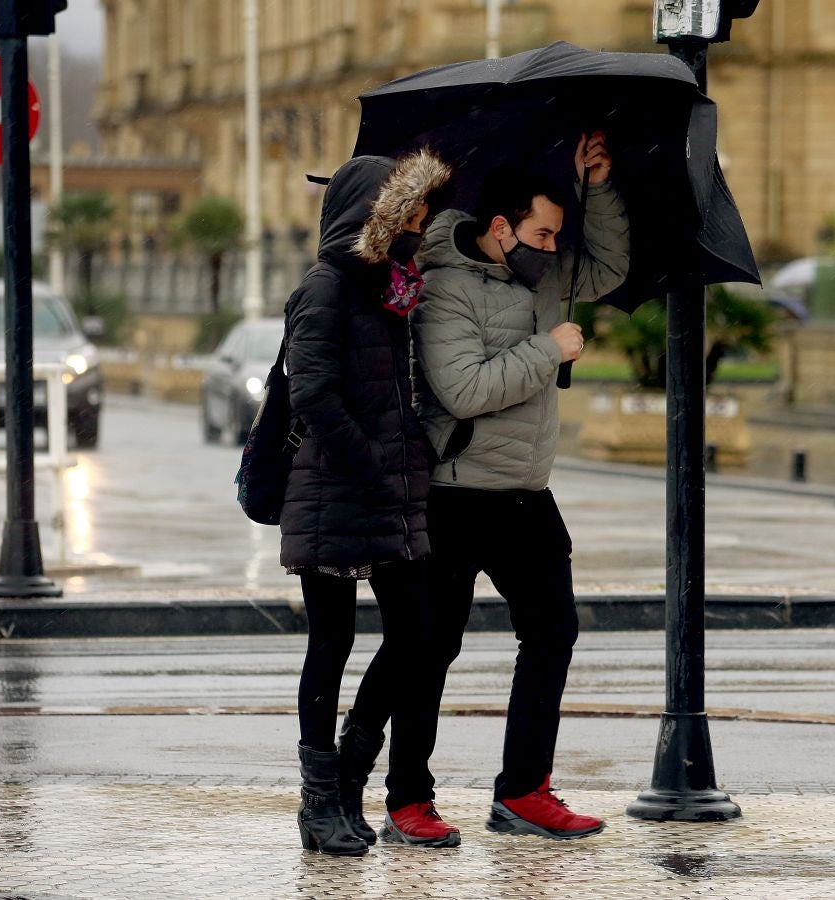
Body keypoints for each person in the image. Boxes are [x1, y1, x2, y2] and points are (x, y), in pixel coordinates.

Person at [410, 133, 629, 840]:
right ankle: (408, 796)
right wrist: (548, 349)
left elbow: (610, 265)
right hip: (455, 493)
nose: (550, 247)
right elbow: (463, 389)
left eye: (556, 235)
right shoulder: (442, 286)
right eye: (541, 232)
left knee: (553, 632)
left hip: (526, 494)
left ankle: (524, 790)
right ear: (499, 227)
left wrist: (597, 192)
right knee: (430, 646)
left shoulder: (545, 275)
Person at [282, 148, 462, 855]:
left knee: (418, 634)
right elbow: (315, 395)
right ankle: (318, 799)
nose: (422, 225)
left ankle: (353, 772)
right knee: (332, 643)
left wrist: (418, 449)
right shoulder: (325, 288)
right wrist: (374, 465)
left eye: (422, 214)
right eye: (411, 214)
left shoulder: (393, 291)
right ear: (374, 217)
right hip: (335, 490)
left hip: (393, 488)